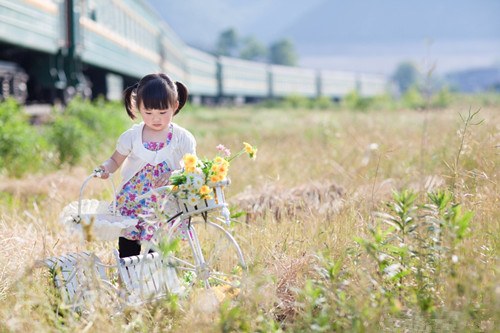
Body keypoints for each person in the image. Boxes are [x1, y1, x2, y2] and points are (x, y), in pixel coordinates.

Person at [97, 73, 195, 258]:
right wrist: (105, 168)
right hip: (133, 199)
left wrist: (175, 173)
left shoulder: (182, 138)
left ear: (174, 106)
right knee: (128, 246)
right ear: (138, 107)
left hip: (164, 201)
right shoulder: (132, 136)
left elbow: (192, 167)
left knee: (158, 248)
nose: (155, 119)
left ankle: (152, 281)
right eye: (148, 113)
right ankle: (128, 281)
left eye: (162, 112)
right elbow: (115, 160)